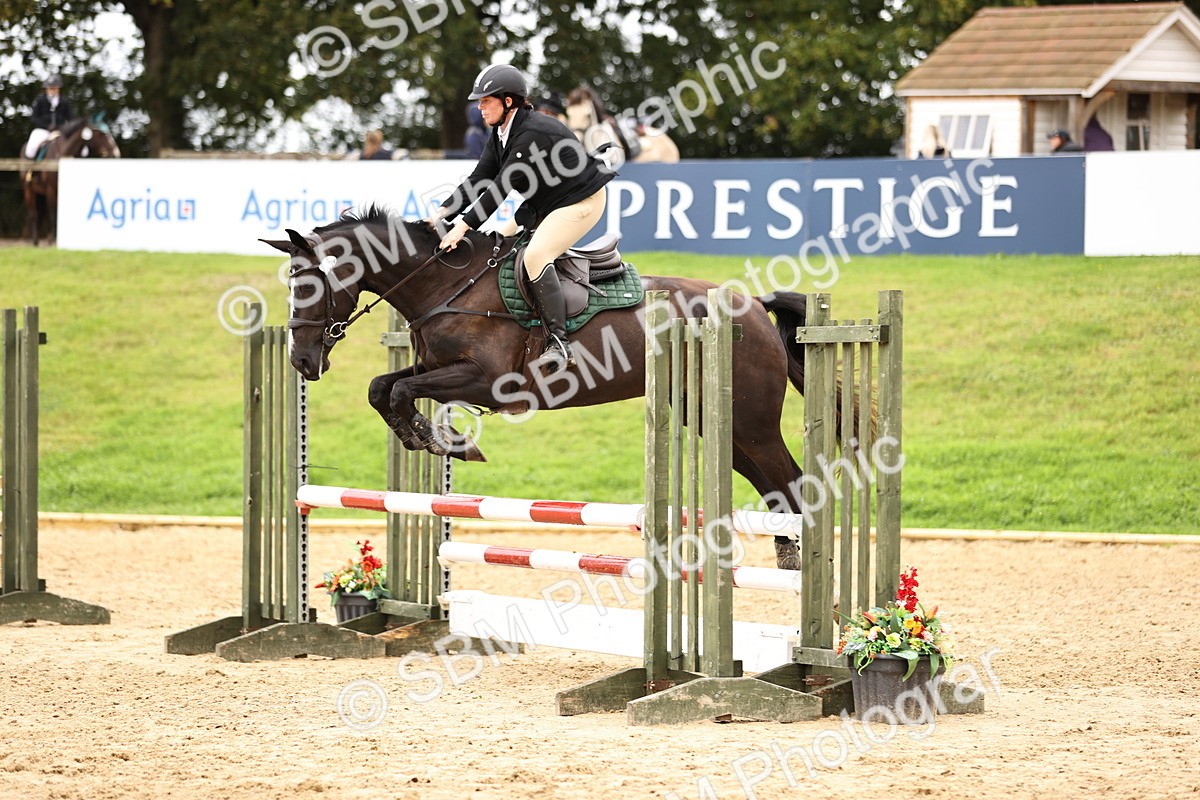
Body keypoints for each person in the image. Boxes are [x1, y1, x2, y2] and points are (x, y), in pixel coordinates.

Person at [429, 64, 614, 373]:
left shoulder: (531, 133)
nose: (480, 107)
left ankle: (559, 343)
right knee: (499, 247)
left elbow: (499, 190)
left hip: (581, 201)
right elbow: (479, 179)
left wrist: (461, 228)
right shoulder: (500, 133)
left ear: (508, 102)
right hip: (547, 204)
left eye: (486, 101)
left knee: (536, 256)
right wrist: (441, 213)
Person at [25, 74, 74, 159]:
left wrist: (64, 127)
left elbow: (71, 118)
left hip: (60, 131)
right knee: (31, 148)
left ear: (58, 88)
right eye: (50, 88)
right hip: (43, 130)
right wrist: (47, 126)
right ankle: (31, 169)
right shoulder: (40, 100)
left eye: (54, 88)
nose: (52, 90)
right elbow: (34, 118)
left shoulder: (64, 101)